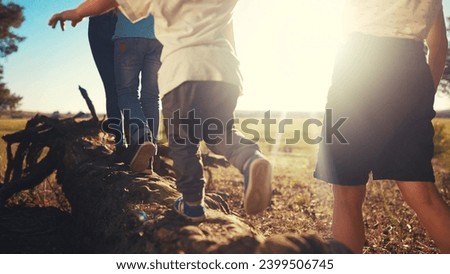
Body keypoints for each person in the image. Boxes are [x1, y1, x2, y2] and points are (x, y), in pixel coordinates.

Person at [48, 0, 273, 222]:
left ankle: (192, 203)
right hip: (225, 70)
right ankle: (250, 158)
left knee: (184, 141)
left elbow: (112, 2)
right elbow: (229, 32)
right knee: (218, 132)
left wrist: (78, 12)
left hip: (182, 70)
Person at [314, 0, 450, 253]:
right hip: (411, 64)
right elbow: (439, 44)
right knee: (423, 193)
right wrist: (421, 97)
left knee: (346, 195)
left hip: (357, 65)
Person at [111, 11, 162, 172]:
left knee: (127, 93)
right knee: (152, 98)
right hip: (159, 38)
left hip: (128, 33)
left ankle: (141, 136)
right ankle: (147, 161)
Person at [87, 11, 124, 152]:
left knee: (112, 90)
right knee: (128, 90)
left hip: (99, 18)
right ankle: (135, 143)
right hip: (121, 19)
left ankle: (121, 145)